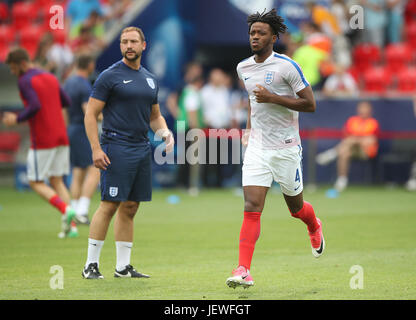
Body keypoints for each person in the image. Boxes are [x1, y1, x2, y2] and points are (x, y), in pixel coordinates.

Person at [226, 9, 325, 289]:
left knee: (295, 208)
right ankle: (243, 268)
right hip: (257, 146)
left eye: (260, 33)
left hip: (285, 148)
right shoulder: (243, 67)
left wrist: (274, 98)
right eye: (252, 33)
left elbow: (310, 104)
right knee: (251, 206)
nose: (254, 37)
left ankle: (313, 224)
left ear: (273, 37)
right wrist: (248, 127)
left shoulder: (287, 66)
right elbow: (252, 101)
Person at [82, 26, 174, 279]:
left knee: (131, 206)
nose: (128, 45)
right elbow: (90, 114)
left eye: (133, 41)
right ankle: (90, 264)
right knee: (109, 204)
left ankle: (123, 267)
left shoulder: (150, 79)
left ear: (144, 45)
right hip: (116, 147)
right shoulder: (109, 76)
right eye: (124, 42)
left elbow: (154, 116)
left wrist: (165, 132)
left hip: (141, 148)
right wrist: (96, 149)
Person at [1, 47, 79, 238]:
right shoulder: (50, 77)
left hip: (43, 138)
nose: (12, 72)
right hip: (61, 135)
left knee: (35, 182)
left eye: (12, 67)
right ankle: (72, 227)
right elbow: (66, 101)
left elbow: (34, 105)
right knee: (57, 180)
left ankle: (64, 209)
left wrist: (17, 119)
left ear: (21, 64)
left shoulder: (25, 80)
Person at [63, 54, 100, 225]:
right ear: (90, 65)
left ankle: (74, 209)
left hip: (71, 129)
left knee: (78, 171)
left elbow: (63, 109)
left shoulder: (69, 82)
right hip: (82, 129)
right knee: (96, 169)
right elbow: (89, 112)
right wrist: (103, 118)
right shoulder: (84, 85)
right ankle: (83, 211)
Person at [316, 101, 380, 192]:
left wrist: (357, 139)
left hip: (366, 151)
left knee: (352, 141)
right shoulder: (352, 120)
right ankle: (342, 180)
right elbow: (347, 137)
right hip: (351, 149)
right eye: (362, 108)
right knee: (344, 153)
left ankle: (332, 153)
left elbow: (371, 140)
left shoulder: (373, 123)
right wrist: (359, 139)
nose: (363, 110)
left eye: (365, 108)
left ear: (370, 110)